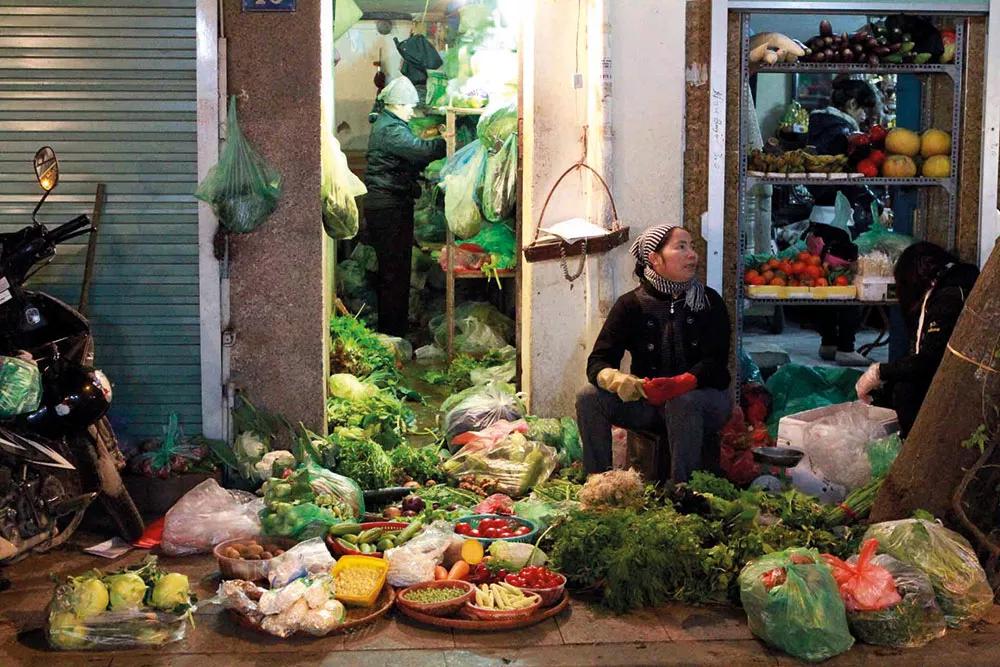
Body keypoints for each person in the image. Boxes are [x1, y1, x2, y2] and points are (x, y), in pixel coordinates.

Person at [575, 225, 733, 482]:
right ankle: (599, 486)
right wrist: (618, 380)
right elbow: (598, 361)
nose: (692, 254)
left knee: (683, 402)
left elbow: (716, 364)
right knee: (589, 397)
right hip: (649, 403)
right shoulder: (630, 304)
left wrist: (679, 384)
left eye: (692, 246)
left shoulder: (708, 301)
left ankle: (684, 492)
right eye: (681, 247)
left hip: (703, 402)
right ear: (654, 259)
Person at [855, 242, 979, 437]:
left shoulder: (948, 298)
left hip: (959, 386)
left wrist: (880, 372)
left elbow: (929, 360)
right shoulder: (948, 288)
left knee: (906, 390)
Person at [807, 78, 884, 366]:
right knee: (851, 280)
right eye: (864, 110)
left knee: (827, 281)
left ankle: (828, 342)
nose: (865, 117)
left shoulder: (819, 127)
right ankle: (846, 346)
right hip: (841, 217)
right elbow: (852, 177)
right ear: (851, 105)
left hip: (821, 216)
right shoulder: (842, 134)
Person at [363, 75, 445, 336]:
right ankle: (392, 334)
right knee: (394, 273)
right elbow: (420, 150)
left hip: (389, 205)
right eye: (409, 106)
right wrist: (446, 142)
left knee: (393, 271)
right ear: (397, 104)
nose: (412, 111)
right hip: (389, 207)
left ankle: (393, 329)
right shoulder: (391, 130)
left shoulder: (388, 124)